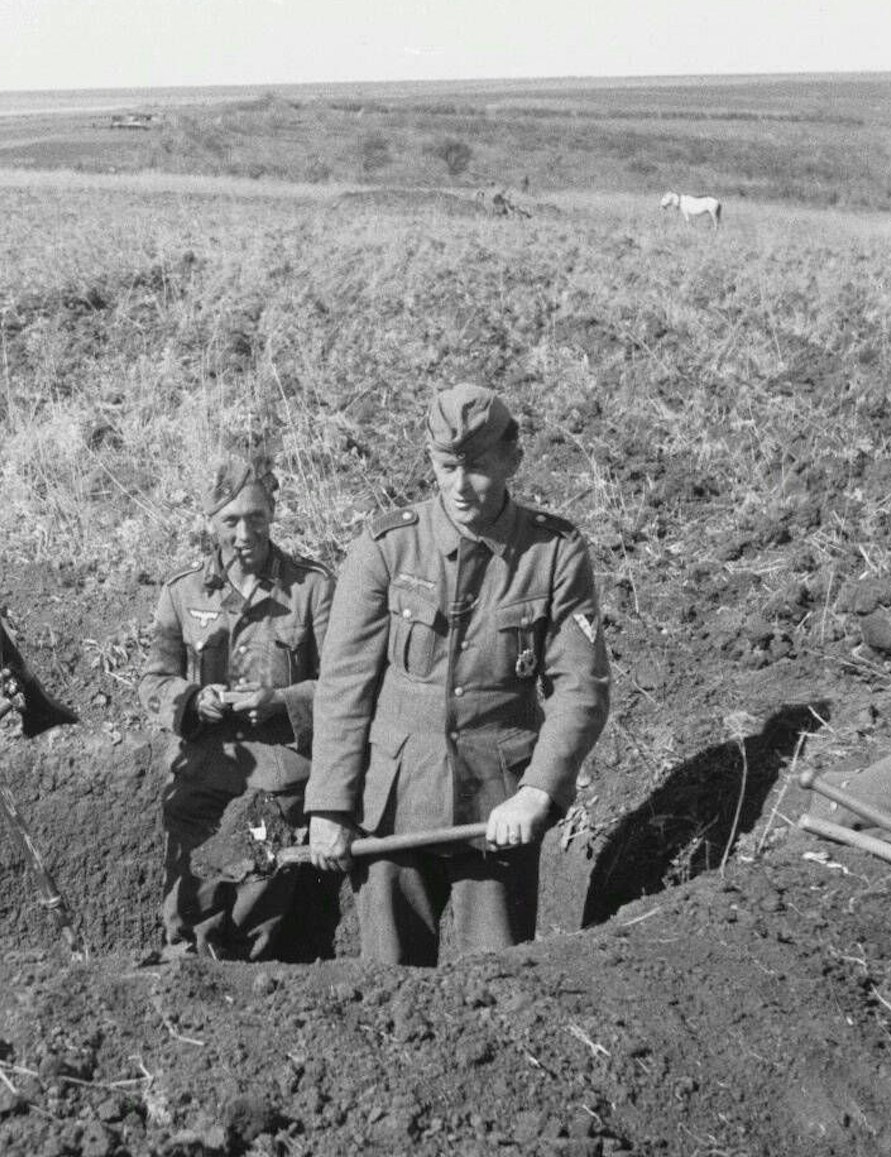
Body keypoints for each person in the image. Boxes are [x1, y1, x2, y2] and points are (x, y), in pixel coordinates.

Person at [306, 385, 611, 966]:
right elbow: (344, 686)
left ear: (512, 461)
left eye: (477, 469)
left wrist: (536, 792)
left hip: (498, 809)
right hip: (394, 806)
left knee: (498, 987)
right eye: (446, 468)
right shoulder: (386, 547)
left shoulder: (553, 552)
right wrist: (329, 807)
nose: (459, 487)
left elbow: (581, 687)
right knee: (387, 986)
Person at [138, 456, 335, 959]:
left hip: (276, 783)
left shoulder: (311, 589)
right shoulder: (182, 593)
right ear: (211, 522)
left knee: (258, 906)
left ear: (272, 515)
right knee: (190, 907)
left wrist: (282, 702)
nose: (244, 532)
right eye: (230, 521)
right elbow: (154, 681)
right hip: (202, 778)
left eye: (256, 518)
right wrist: (190, 700)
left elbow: (343, 685)